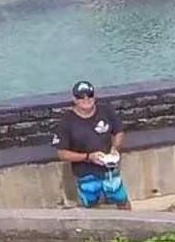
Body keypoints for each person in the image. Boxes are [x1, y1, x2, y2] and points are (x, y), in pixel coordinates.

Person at [51, 81, 129, 209]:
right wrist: (88, 157)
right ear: (74, 99)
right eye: (81, 97)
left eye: (89, 95)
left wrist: (115, 148)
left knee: (122, 199)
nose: (86, 99)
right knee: (91, 206)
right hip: (85, 174)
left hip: (109, 170)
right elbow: (62, 154)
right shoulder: (66, 122)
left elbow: (118, 131)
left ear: (94, 96)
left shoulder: (106, 111)